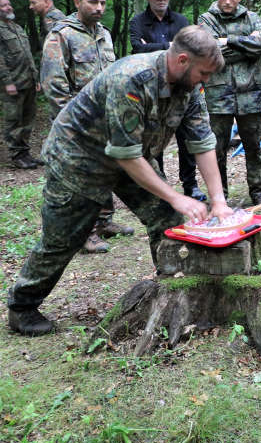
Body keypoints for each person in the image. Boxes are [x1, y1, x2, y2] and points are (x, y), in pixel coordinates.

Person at [7, 26, 231, 337]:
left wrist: (217, 199)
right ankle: (22, 306)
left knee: (167, 220)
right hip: (80, 157)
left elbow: (203, 142)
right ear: (182, 60)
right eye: (204, 73)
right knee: (64, 239)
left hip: (133, 155)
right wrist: (177, 196)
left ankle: (172, 292)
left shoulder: (189, 87)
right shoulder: (131, 78)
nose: (205, 80)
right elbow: (126, 156)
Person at [42, 0, 133, 254]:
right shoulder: (62, 35)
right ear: (76, 2)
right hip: (76, 124)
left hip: (105, 117)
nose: (99, 8)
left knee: (106, 170)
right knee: (82, 178)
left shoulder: (104, 33)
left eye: (103, 3)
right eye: (93, 2)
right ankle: (85, 232)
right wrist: (72, 123)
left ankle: (104, 221)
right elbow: (53, 84)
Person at [128, 0, 205, 202]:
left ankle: (190, 185)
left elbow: (191, 49)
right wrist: (170, 46)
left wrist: (153, 47)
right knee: (154, 139)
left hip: (181, 87)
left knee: (186, 137)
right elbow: (137, 49)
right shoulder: (137, 22)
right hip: (151, 88)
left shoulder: (181, 21)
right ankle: (158, 186)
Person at [198, 0, 261, 205]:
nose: (227, 1)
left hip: (250, 94)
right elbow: (209, 53)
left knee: (253, 145)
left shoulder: (252, 18)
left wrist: (227, 40)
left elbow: (259, 47)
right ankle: (220, 195)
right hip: (219, 95)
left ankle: (258, 190)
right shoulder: (206, 20)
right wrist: (245, 46)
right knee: (217, 148)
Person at [0, 0, 41, 169]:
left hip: (28, 81)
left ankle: (25, 153)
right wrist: (7, 82)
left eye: (9, 4)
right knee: (13, 120)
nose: (9, 8)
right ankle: (16, 155)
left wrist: (36, 78)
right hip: (13, 83)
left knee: (28, 119)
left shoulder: (16, 27)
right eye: (3, 6)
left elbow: (28, 56)